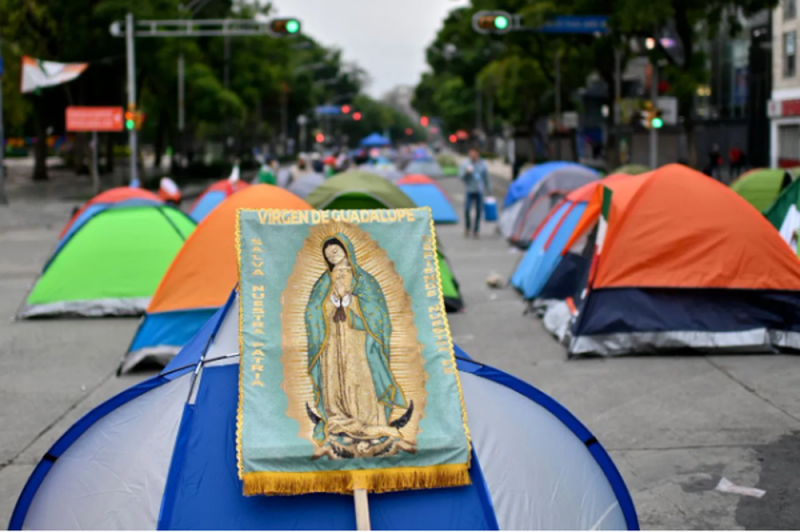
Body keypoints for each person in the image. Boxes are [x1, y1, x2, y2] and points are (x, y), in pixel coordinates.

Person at [304, 234, 414, 459]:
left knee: (360, 375)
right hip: (333, 339)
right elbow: (312, 311)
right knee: (336, 377)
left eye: (335, 251)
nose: (332, 256)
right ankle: (339, 417)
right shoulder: (323, 282)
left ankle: (368, 419)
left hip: (359, 338)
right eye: (328, 254)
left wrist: (351, 302)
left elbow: (377, 312)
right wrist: (331, 304)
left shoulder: (364, 280)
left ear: (346, 250)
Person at [459, 148, 491, 238]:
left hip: (479, 190)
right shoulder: (465, 164)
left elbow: (486, 177)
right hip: (469, 190)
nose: (472, 156)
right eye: (471, 154)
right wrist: (466, 172)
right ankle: (467, 227)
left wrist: (489, 190)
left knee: (479, 211)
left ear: (477, 154)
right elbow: (461, 177)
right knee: (467, 209)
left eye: (474, 154)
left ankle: (476, 230)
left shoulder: (483, 164)